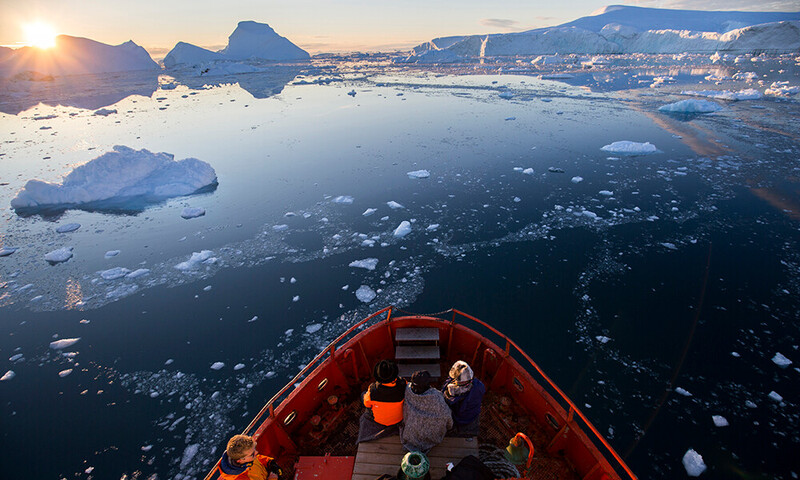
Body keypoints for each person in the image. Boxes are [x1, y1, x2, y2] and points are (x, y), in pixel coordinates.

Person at [401, 370, 453, 453]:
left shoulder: (407, 391)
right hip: (431, 436)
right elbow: (446, 415)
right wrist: (449, 426)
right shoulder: (436, 396)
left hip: (411, 432)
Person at [357, 359, 407, 443]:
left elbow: (367, 404)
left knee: (363, 395)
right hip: (399, 419)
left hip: (379, 421)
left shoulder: (372, 390)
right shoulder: (403, 384)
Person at [442, 360, 485, 436]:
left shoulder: (454, 393)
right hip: (473, 416)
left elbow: (450, 401)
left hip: (461, 418)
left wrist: (447, 394)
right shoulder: (479, 385)